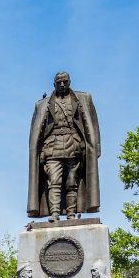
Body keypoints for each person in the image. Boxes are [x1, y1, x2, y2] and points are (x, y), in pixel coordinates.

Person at [28, 72, 101, 222]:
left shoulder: (82, 99)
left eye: (65, 82)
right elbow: (35, 132)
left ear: (70, 82)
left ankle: (71, 215)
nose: (62, 85)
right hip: (52, 148)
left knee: (71, 183)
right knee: (53, 182)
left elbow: (93, 124)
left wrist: (95, 147)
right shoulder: (42, 104)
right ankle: (54, 214)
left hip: (72, 146)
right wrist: (39, 151)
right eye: (59, 82)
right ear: (54, 84)